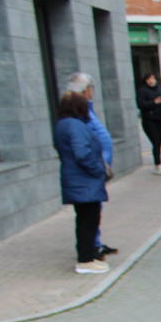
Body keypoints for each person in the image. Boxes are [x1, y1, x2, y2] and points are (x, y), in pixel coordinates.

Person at [54, 90, 110, 274]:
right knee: (89, 220)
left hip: (77, 179)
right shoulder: (75, 125)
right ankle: (85, 260)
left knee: (85, 219)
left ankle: (87, 257)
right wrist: (98, 170)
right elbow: (82, 153)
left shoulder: (62, 124)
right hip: (84, 180)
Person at [65, 72, 117, 258]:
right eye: (91, 89)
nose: (92, 93)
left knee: (92, 214)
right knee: (88, 216)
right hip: (88, 174)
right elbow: (81, 151)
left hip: (92, 173)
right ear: (86, 91)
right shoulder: (76, 116)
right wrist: (98, 169)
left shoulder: (83, 111)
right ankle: (88, 255)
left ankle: (94, 247)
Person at [136, 72, 161, 176]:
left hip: (160, 119)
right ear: (146, 81)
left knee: (160, 141)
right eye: (149, 79)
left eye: (152, 78)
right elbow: (140, 104)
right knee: (156, 142)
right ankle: (158, 165)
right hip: (149, 120)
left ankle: (158, 165)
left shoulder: (160, 89)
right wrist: (153, 102)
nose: (151, 80)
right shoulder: (142, 91)